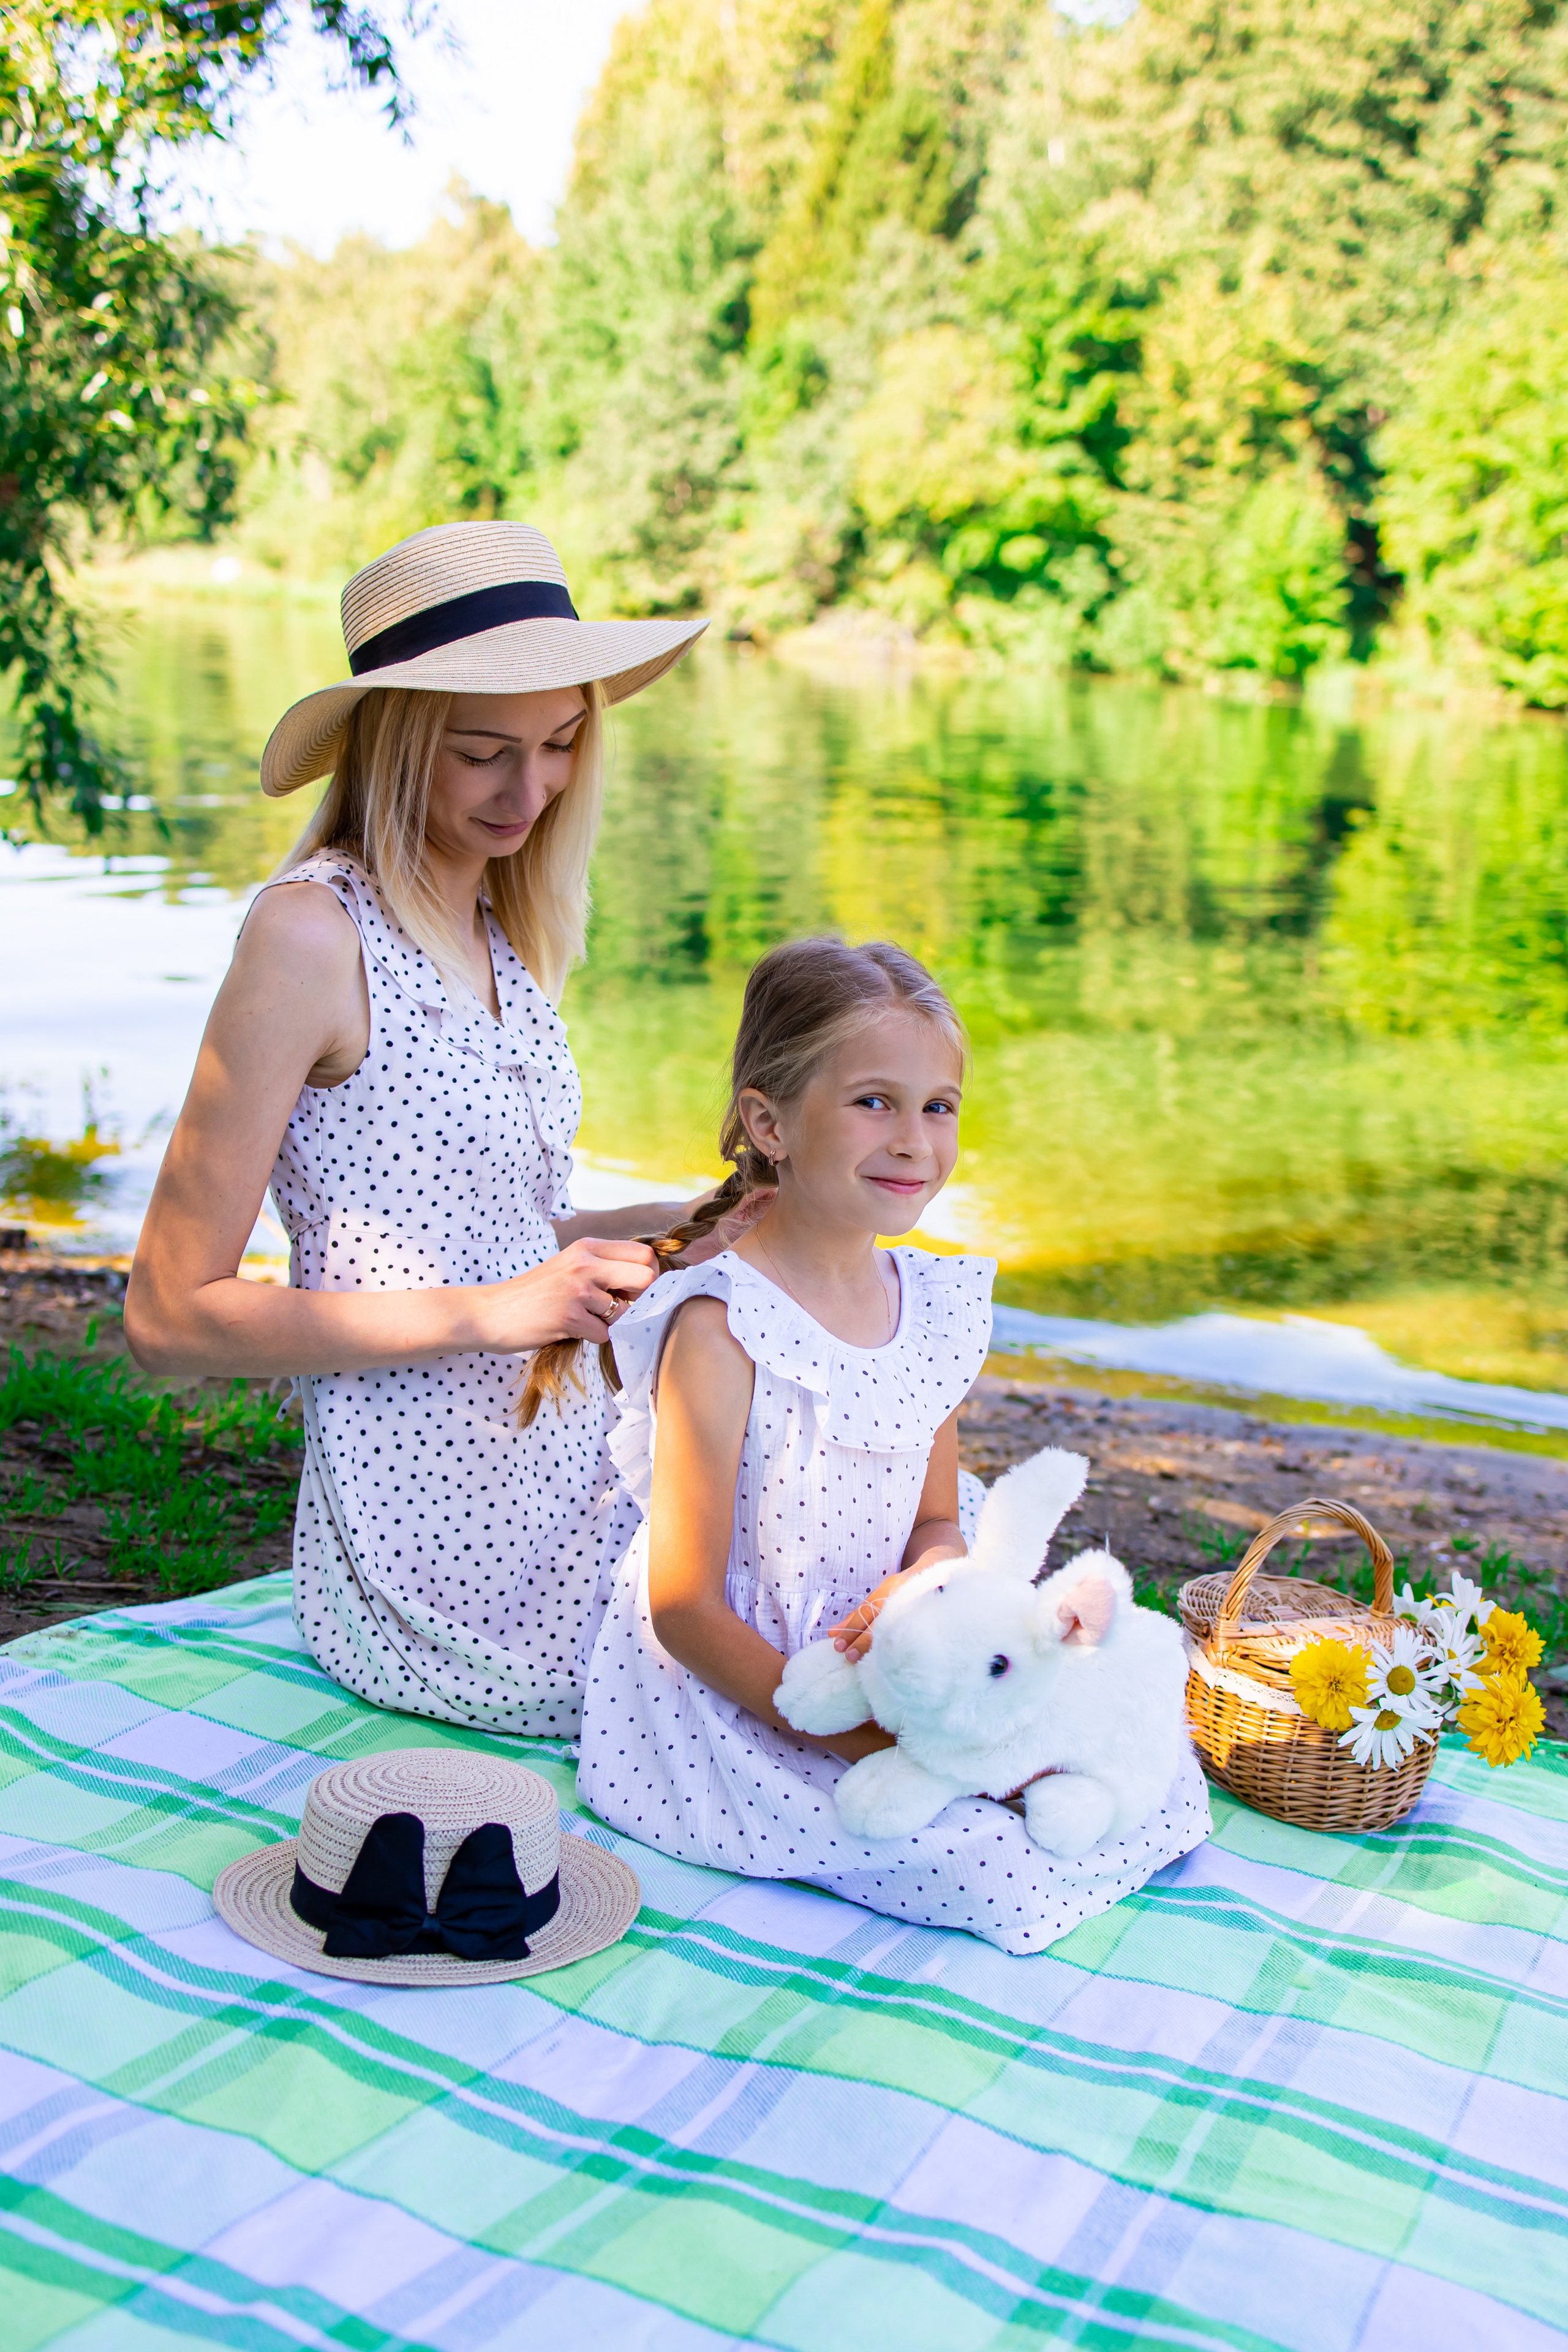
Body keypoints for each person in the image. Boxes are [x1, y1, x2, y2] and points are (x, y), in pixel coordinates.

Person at [126, 521, 710, 1733]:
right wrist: (498, 1312)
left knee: (870, 1554)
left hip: (555, 1452)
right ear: (395, 743)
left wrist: (670, 1224)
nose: (531, 792)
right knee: (759, 1661)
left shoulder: (496, 924)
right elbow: (168, 1319)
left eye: (561, 745)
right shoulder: (310, 937)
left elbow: (482, 1232)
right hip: (431, 1533)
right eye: (484, 754)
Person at [578, 938, 1211, 1952]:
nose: (915, 1141)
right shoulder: (723, 1327)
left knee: (1149, 1774)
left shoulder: (932, 1308)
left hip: (911, 1665)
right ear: (770, 1123)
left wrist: (926, 1586)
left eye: (939, 1106)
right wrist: (871, 1736)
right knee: (989, 1866)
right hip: (760, 1696)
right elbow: (685, 1610)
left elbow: (936, 1523)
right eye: (874, 1102)